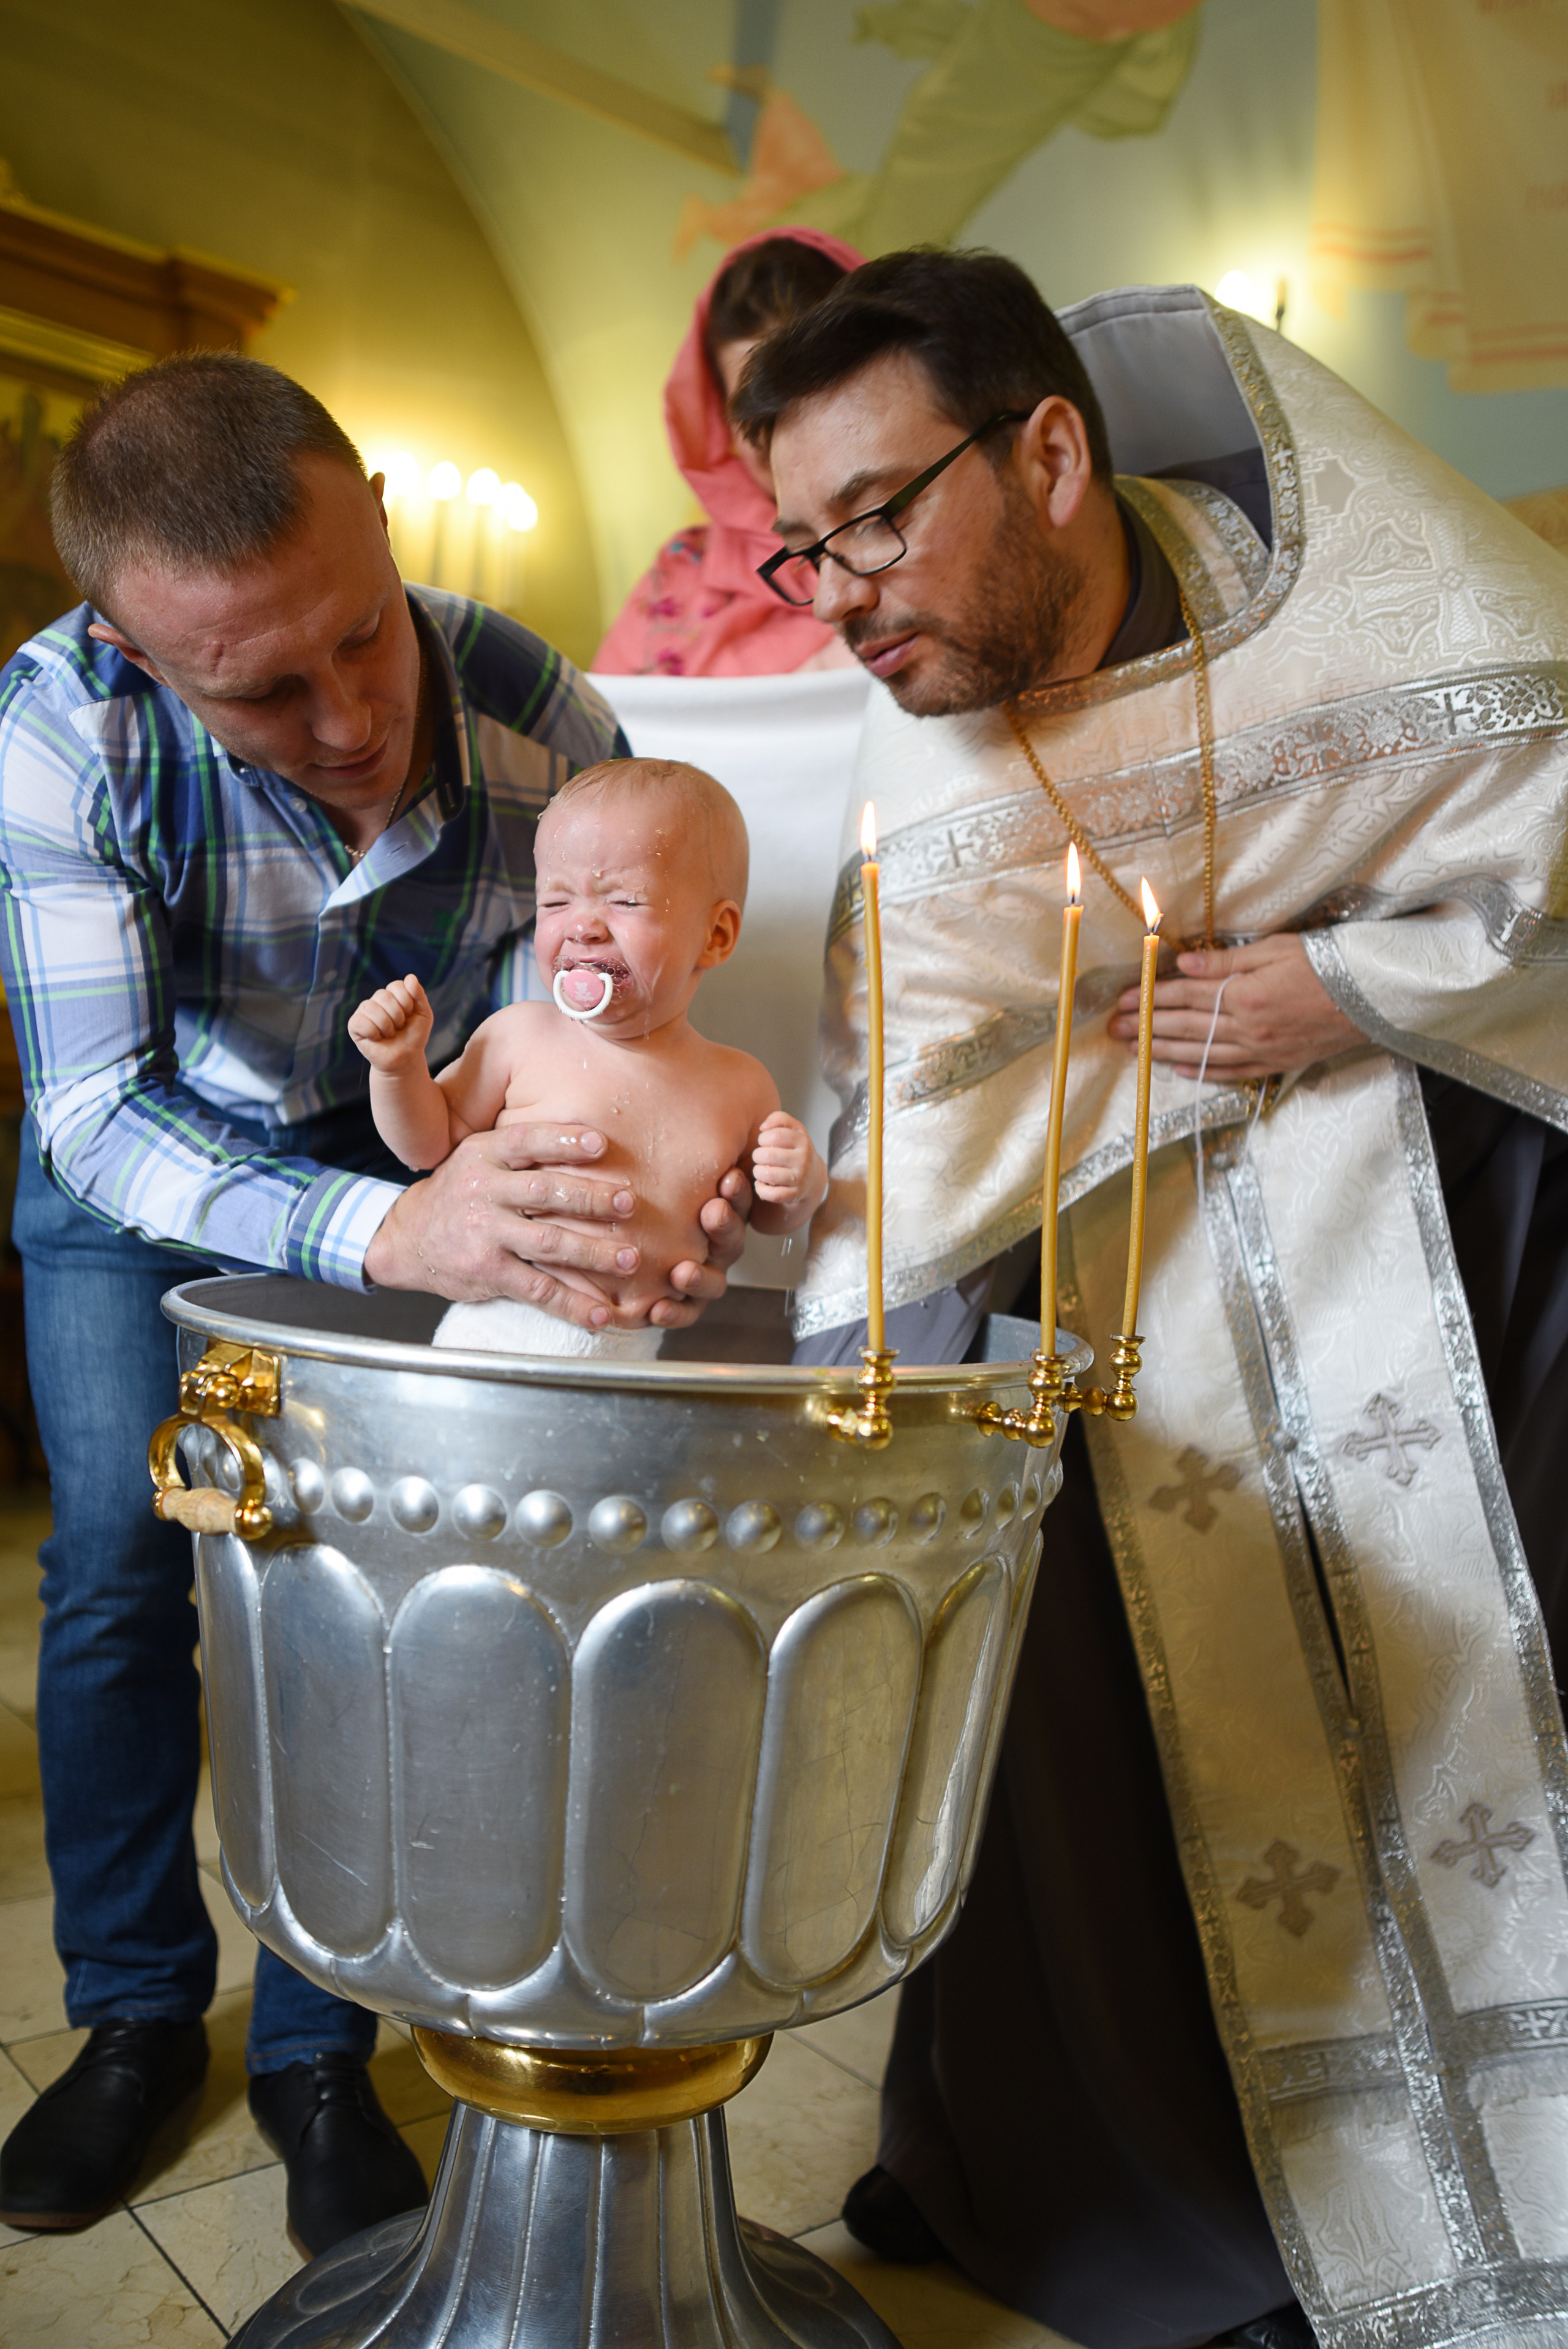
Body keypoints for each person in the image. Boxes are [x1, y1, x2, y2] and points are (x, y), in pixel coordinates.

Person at [732, 251, 1568, 2347]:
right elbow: (917, 1094)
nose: (838, 595)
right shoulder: (926, 759)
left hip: (1441, 1233)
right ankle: (1140, 2186)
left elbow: (1544, 833)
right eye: (800, 546)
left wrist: (1354, 982)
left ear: (1048, 451)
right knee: (1081, 1732)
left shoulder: (1368, 597)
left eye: (879, 517)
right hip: (1123, 1305)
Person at [0, 354, 748, 2255]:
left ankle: (323, 2044)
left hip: (413, 1158)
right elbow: (95, 1109)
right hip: (136, 1187)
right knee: (119, 1566)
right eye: (264, 687)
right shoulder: (54, 733)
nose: (350, 718)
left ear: (384, 528)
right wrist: (376, 1235)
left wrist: (673, 1196)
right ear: (138, 649)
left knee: (350, 1576)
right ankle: (133, 2019)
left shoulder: (533, 710)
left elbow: (596, 1042)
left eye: (362, 636)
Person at [349, 757, 826, 1357]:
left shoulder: (741, 1085)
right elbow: (424, 1147)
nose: (583, 927)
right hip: (497, 1337)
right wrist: (397, 1069)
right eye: (554, 903)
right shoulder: (520, 1037)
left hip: (632, 1360)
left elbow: (766, 1220)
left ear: (716, 936)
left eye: (624, 900)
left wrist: (800, 1185)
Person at [593, 229, 863, 678]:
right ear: (721, 422)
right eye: (754, 403)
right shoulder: (681, 574)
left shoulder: (935, 534)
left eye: (818, 387)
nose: (787, 429)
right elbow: (606, 738)